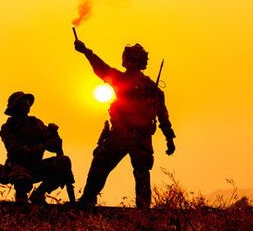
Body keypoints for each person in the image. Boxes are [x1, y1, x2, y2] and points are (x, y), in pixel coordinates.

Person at [73, 41, 176, 208]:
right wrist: (86, 51)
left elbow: (163, 115)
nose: (129, 62)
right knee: (101, 163)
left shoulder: (151, 88)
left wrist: (169, 138)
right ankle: (88, 200)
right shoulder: (120, 79)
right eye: (129, 59)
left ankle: (142, 209)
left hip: (140, 137)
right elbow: (101, 68)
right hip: (121, 134)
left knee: (141, 172)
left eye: (132, 59)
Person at [0, 91, 75, 204]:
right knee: (21, 179)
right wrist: (40, 147)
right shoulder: (8, 127)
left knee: (63, 162)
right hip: (18, 167)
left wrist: (54, 134)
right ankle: (21, 196)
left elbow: (52, 145)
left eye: (27, 102)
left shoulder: (36, 123)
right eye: (23, 103)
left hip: (37, 166)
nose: (27, 105)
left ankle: (39, 194)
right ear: (16, 108)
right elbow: (15, 151)